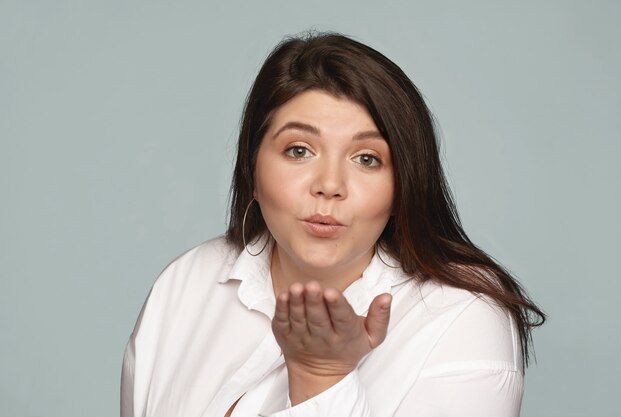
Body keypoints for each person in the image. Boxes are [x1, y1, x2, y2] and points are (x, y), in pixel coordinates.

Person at [120, 32, 545, 417]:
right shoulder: (188, 280)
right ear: (251, 171)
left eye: (367, 159)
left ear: (403, 188)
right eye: (299, 150)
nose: (329, 186)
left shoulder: (462, 318)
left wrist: (321, 380)